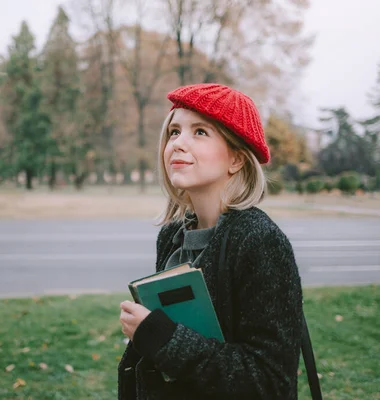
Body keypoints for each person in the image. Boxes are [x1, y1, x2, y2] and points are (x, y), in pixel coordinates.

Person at [118, 83, 304, 399]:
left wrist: (164, 339)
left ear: (236, 160)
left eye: (200, 132)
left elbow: (271, 382)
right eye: (174, 131)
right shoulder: (172, 236)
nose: (178, 143)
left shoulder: (260, 243)